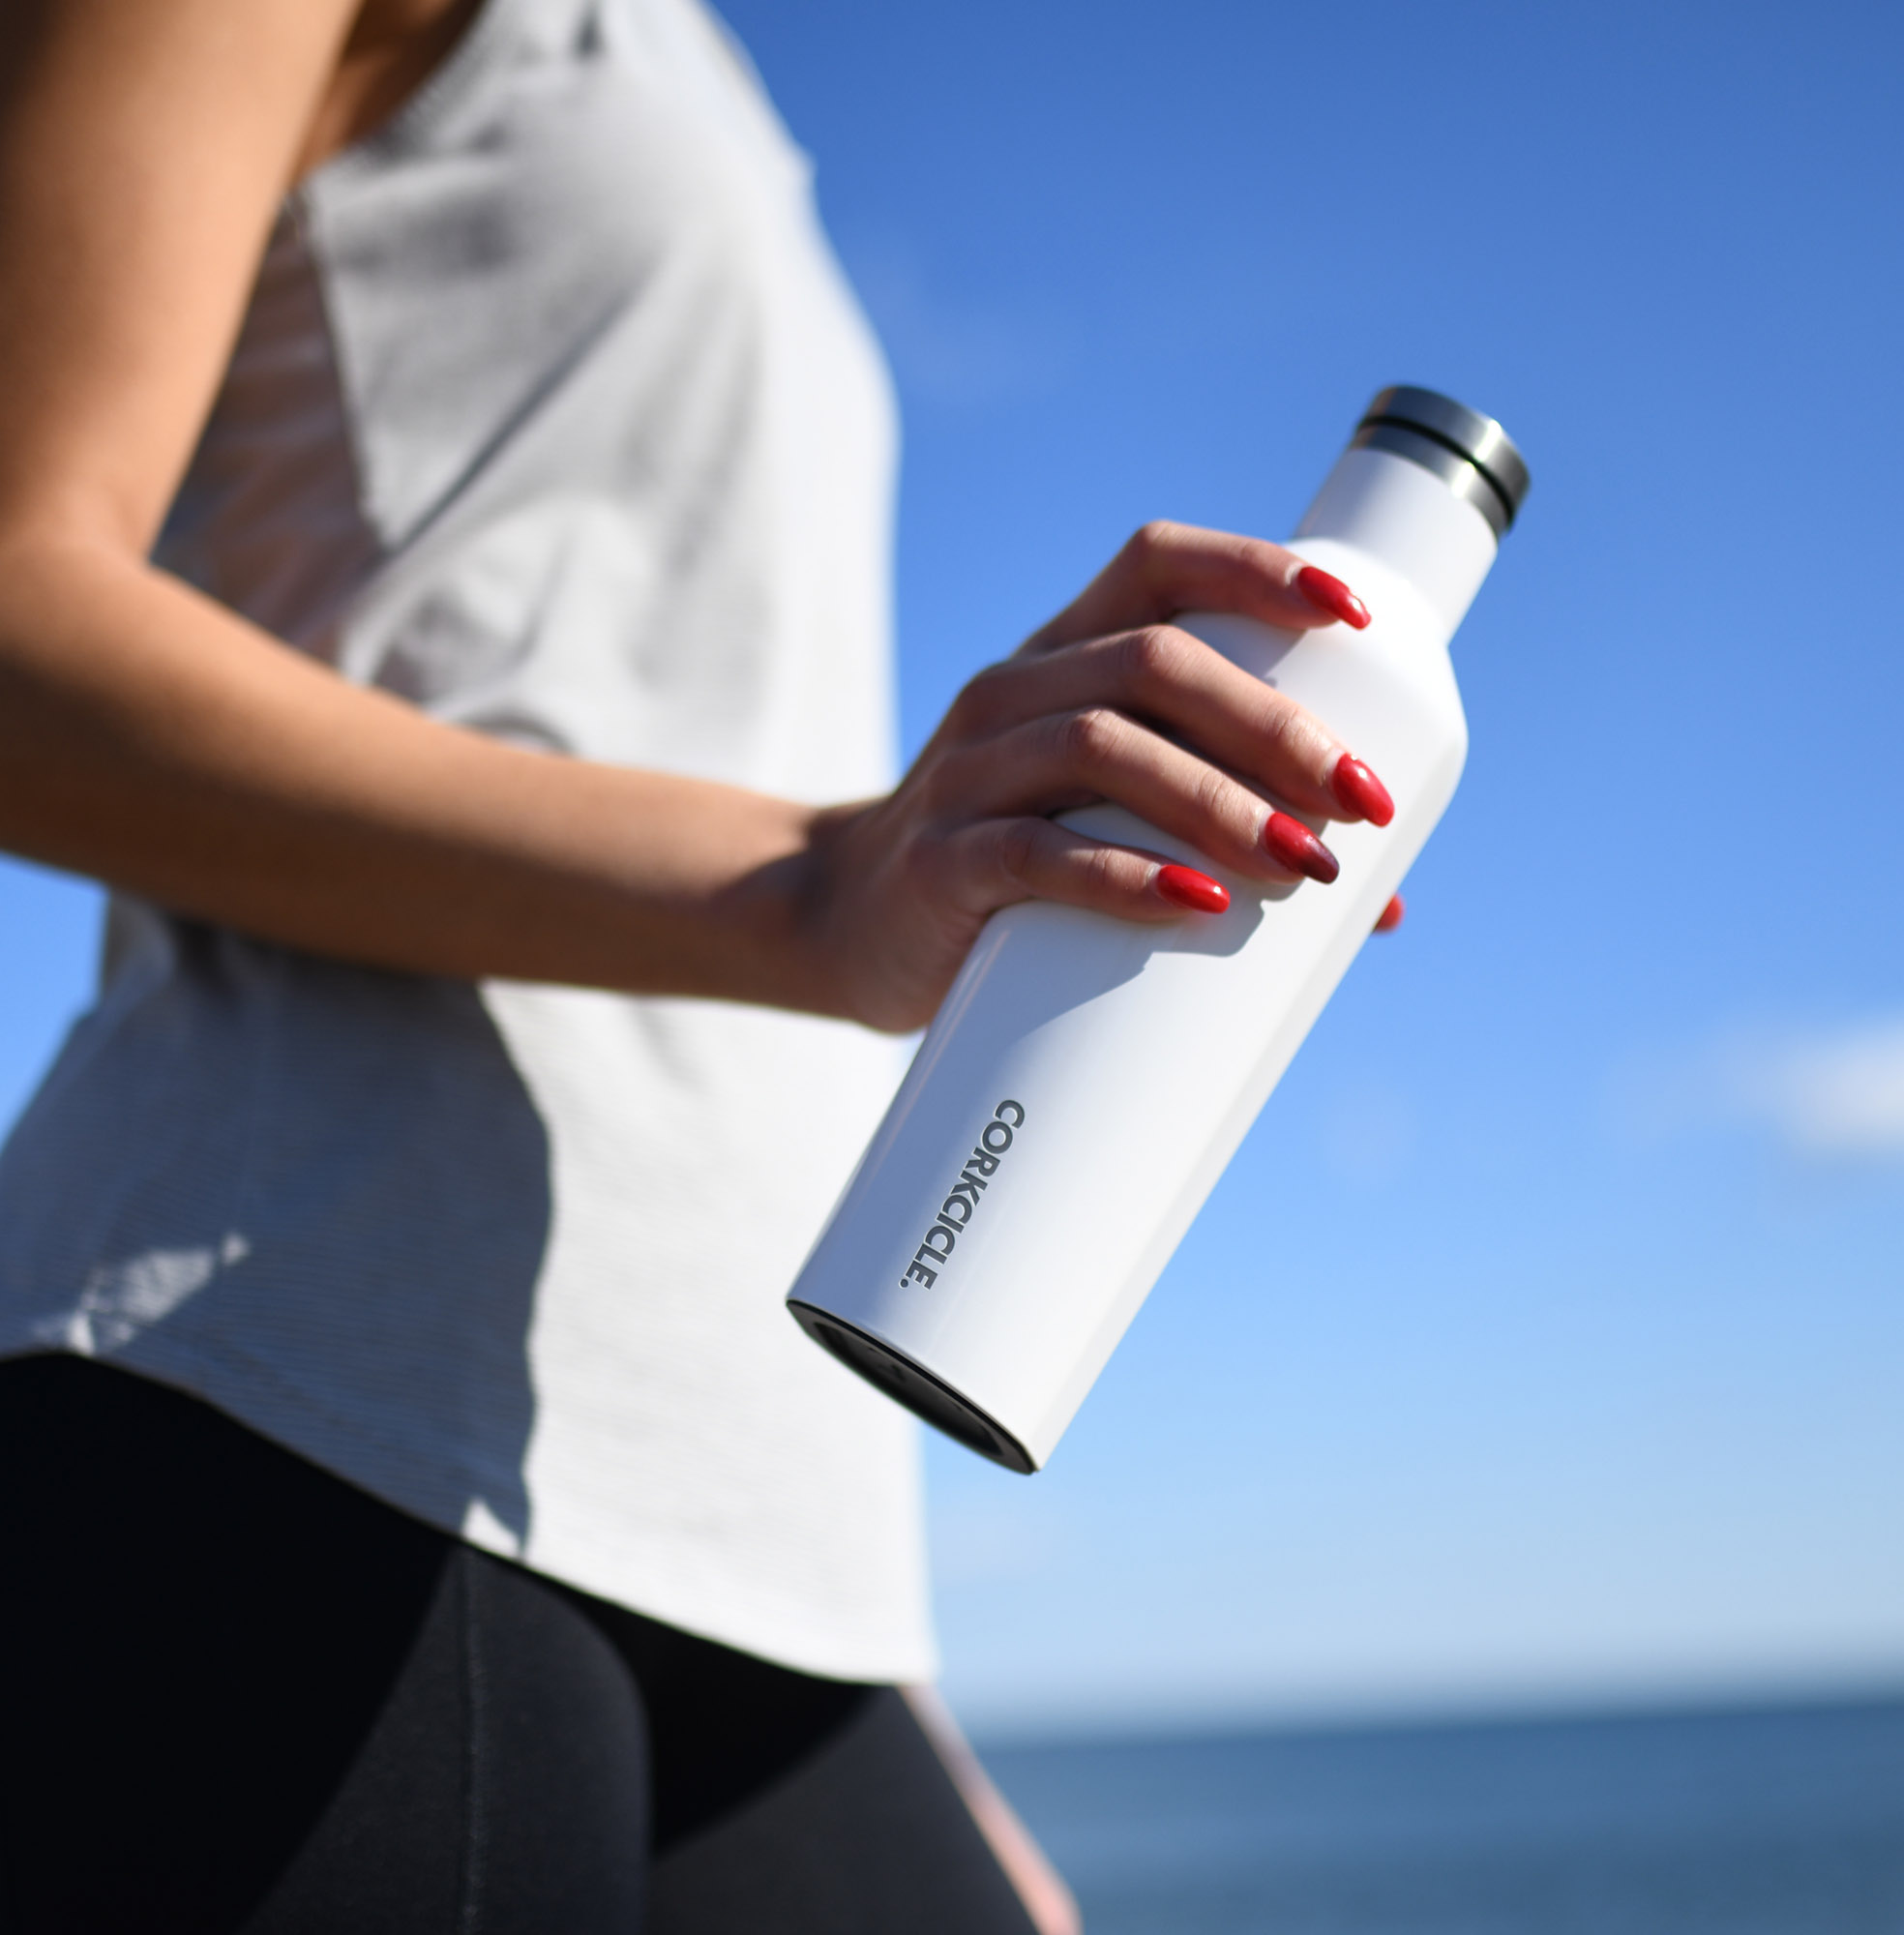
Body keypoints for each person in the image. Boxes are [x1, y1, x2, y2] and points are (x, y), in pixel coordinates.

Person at [0, 1, 1398, 1929]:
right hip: (310, 1366)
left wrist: (874, 1650)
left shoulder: (706, 80)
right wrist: (816, 885)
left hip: (755, 1539)